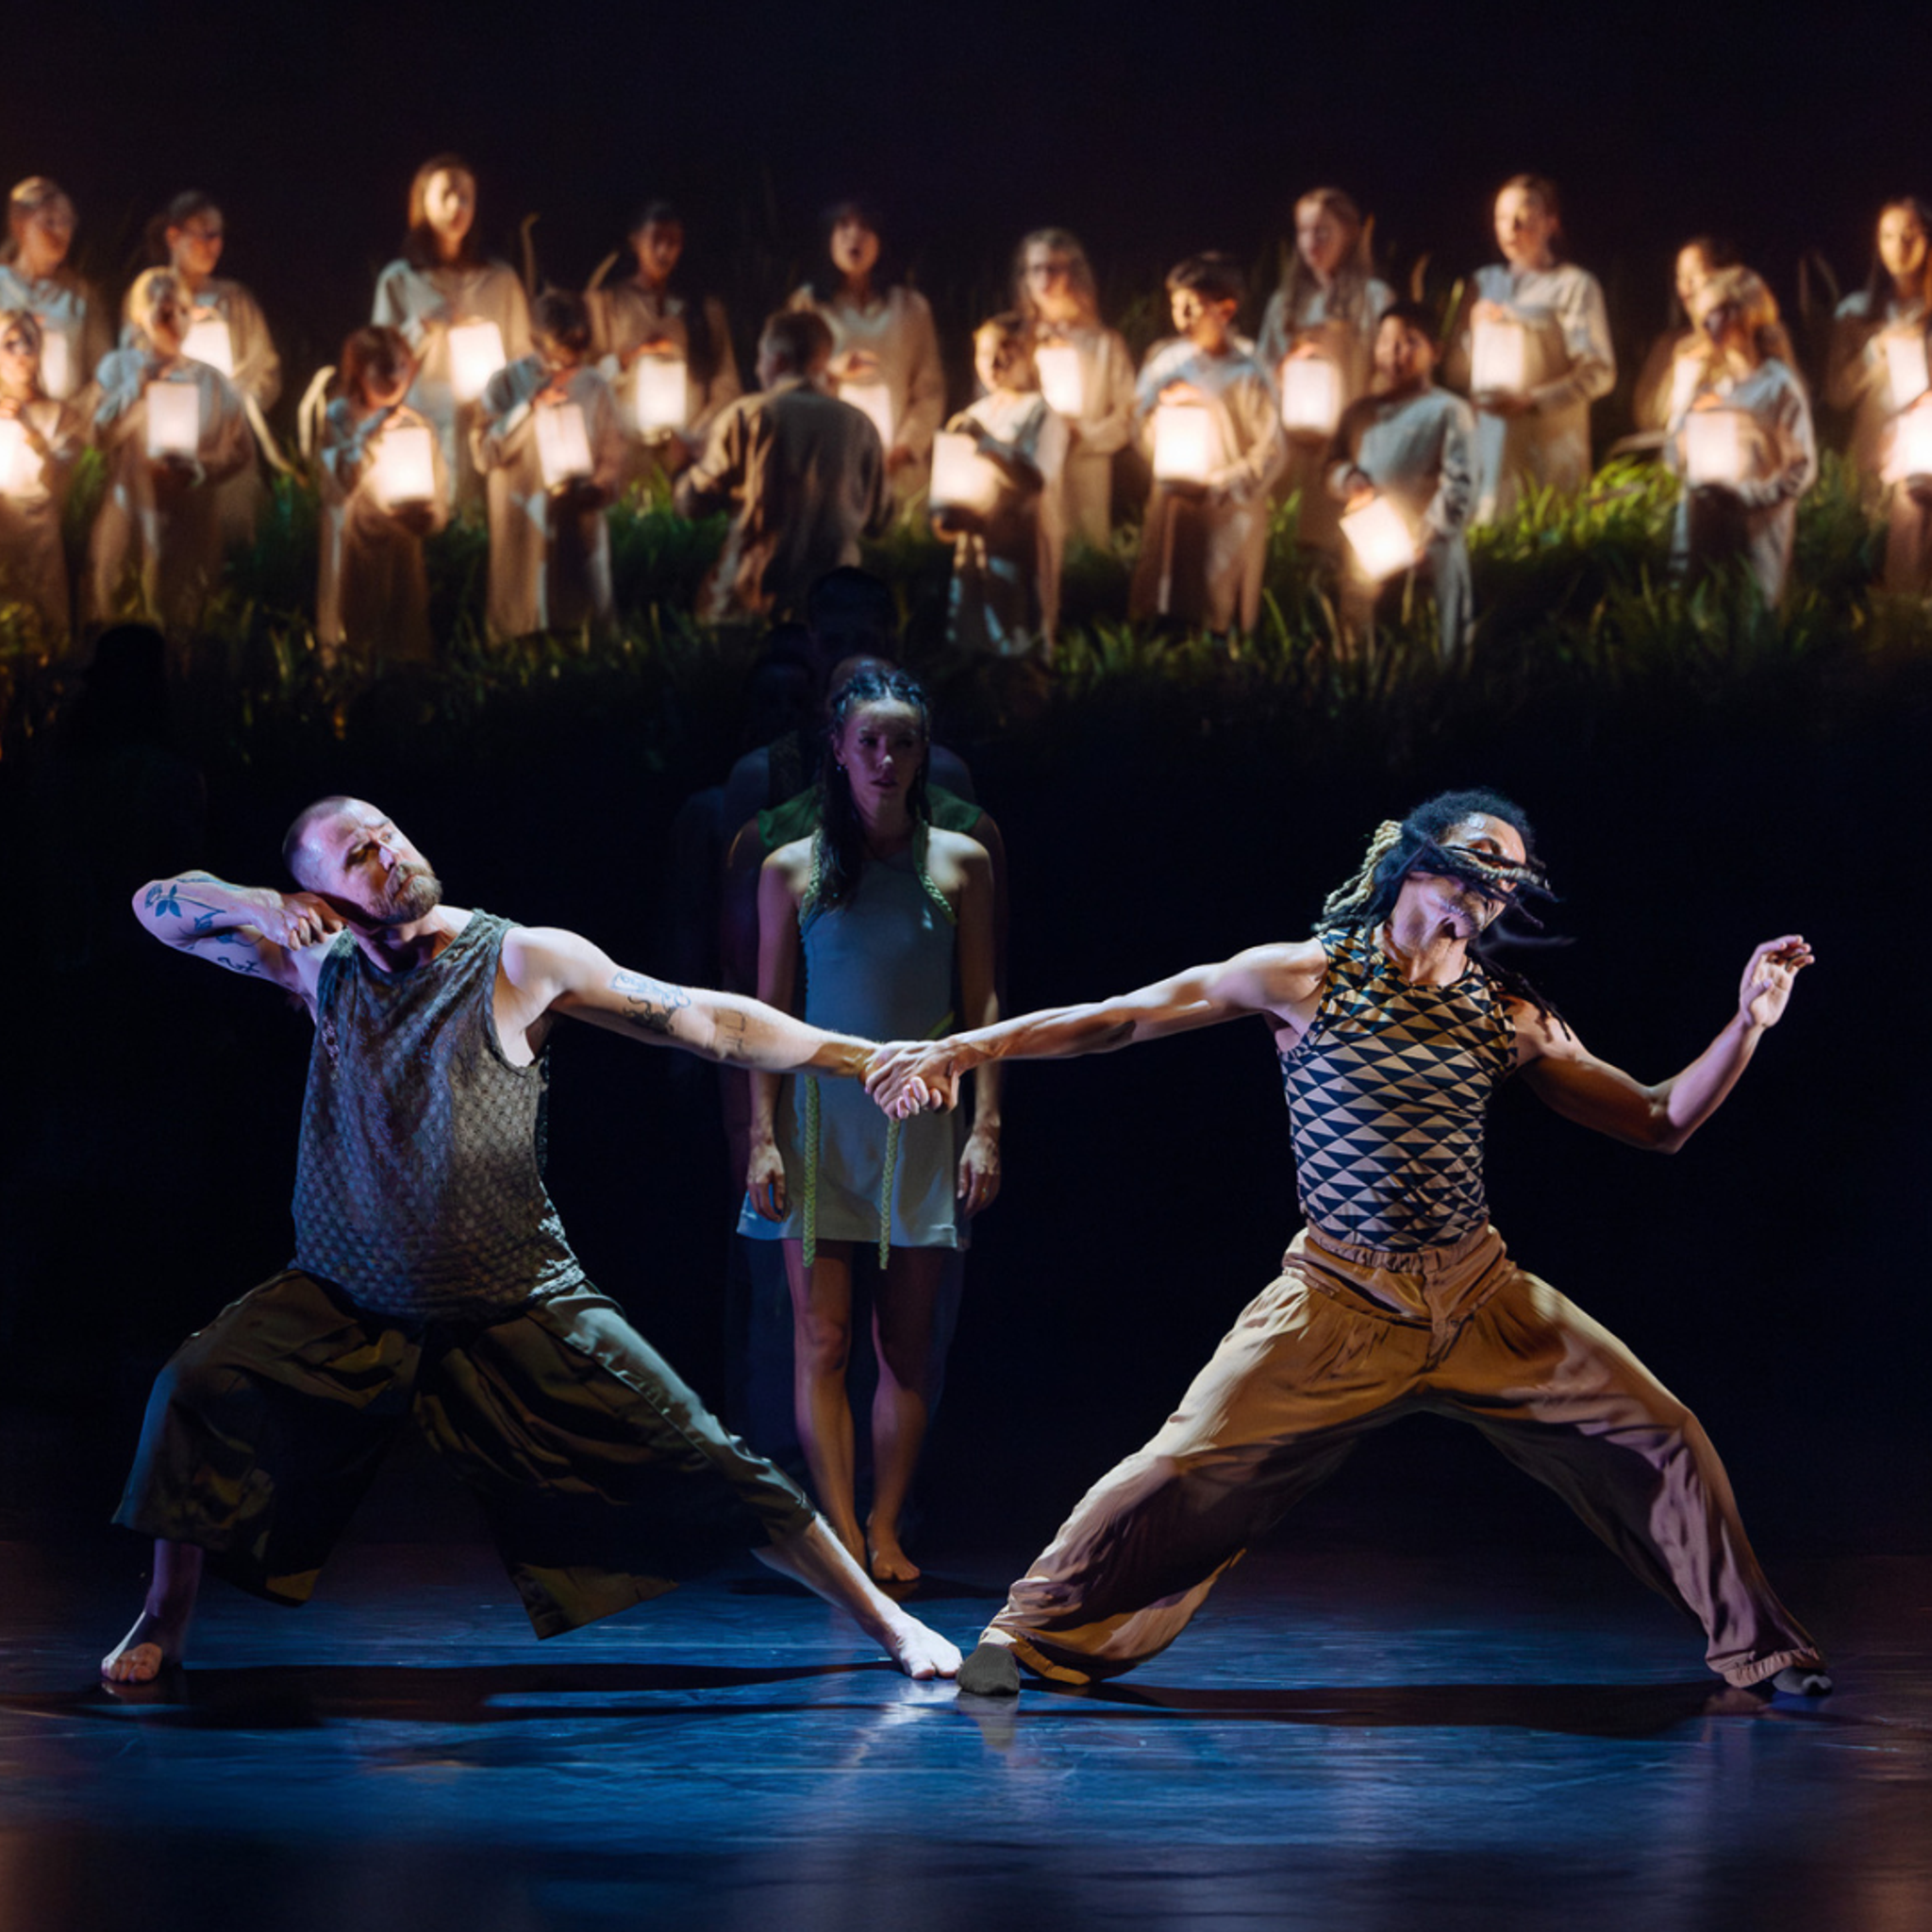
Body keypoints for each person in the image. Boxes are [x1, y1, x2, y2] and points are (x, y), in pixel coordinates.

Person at [868, 790, 1831, 1703]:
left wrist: (1746, 1022)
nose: (1499, 882)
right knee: (1183, 1463)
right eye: (1484, 857)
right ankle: (1022, 1631)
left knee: (1661, 1431)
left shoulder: (1506, 1012)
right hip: (1335, 1294)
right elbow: (1122, 1015)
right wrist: (959, 1050)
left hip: (1476, 1291)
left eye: (1513, 873)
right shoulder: (1308, 973)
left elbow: (1659, 1119)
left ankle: (1759, 1648)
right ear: (1421, 858)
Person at [101, 796, 962, 1687]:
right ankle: (163, 1615)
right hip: (343, 1291)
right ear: (319, 894)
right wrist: (255, 904)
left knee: (710, 1456)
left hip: (511, 1291)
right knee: (193, 1388)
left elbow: (710, 1022)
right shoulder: (317, 963)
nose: (391, 853)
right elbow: (157, 902)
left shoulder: (519, 959)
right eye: (359, 855)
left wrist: (862, 1058)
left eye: (390, 832)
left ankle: (887, 1622)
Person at [741, 670, 1000, 1582]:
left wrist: (986, 1127)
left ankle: (887, 1526)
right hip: (820, 1124)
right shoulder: (792, 869)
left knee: (905, 1342)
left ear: (923, 754)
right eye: (870, 744)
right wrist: (761, 1135)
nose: (886, 760)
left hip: (922, 1125)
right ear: (840, 753)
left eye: (903, 744)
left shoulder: (960, 861)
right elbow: (765, 1013)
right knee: (823, 1339)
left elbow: (983, 1006)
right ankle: (842, 1533)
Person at [675, 310, 892, 626]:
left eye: (759, 357)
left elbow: (691, 503)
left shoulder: (746, 416)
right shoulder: (860, 425)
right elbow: (881, 522)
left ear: (776, 360)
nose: (756, 367)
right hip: (833, 608)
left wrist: (684, 464)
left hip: (752, 600)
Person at [86, 268, 251, 641]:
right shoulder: (120, 368)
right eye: (164, 312)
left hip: (190, 520)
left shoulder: (211, 381)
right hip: (131, 512)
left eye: (183, 311)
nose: (175, 321)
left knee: (185, 623)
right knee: (125, 620)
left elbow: (241, 449)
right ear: (140, 316)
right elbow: (98, 434)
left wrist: (200, 470)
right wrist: (137, 393)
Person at [1129, 255, 1286, 635]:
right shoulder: (1166, 364)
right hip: (1174, 503)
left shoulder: (1249, 371)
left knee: (1216, 599)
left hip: (1227, 507)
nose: (1181, 315)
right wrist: (1160, 415)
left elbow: (1271, 448)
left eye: (1193, 306)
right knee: (1169, 591)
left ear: (1226, 309)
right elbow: (1137, 422)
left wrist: (1224, 481)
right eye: (1176, 305)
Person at [372, 157, 533, 511]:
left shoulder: (500, 281)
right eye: (446, 194)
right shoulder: (400, 281)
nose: (456, 205)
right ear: (422, 201)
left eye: (466, 197)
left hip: (489, 429)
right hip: (424, 428)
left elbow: (522, 357)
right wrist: (423, 326)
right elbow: (378, 364)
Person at [1457, 175, 1614, 524]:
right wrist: (1474, 332)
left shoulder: (1574, 285)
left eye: (1523, 218)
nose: (1511, 229)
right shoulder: (1485, 283)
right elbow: (1462, 368)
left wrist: (1533, 400)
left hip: (1549, 448)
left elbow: (1599, 372)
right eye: (1501, 218)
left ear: (1550, 223)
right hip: (1490, 445)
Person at [1326, 301, 1475, 660]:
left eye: (1409, 342)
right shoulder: (1360, 413)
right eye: (1386, 341)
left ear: (1435, 352)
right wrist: (1348, 480)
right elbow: (1331, 463)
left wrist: (1425, 538)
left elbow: (1459, 484)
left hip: (1427, 556)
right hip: (1368, 556)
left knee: (1421, 650)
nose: (1395, 353)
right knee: (1364, 651)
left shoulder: (1449, 411)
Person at [473, 290, 625, 639]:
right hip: (524, 522)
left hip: (577, 521)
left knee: (579, 618)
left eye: (574, 359)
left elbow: (613, 450)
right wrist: (529, 407)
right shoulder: (505, 384)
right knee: (527, 614)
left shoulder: (594, 385)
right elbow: (485, 452)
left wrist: (598, 487)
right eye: (558, 359)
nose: (567, 370)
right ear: (535, 343)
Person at [1256, 188, 1397, 556]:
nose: (1311, 242)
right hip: (1294, 440)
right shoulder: (1284, 303)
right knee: (1293, 535)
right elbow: (1260, 370)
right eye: (1304, 231)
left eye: (1322, 231)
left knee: (1343, 538)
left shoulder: (1374, 298)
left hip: (1350, 439)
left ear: (1349, 233)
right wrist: (1284, 370)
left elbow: (1387, 371)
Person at [1664, 269, 1816, 608]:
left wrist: (1746, 495)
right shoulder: (1703, 380)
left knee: (1748, 624)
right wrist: (1684, 444)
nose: (1706, 325)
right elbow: (1673, 453)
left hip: (1755, 533)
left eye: (1715, 313)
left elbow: (1801, 468)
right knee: (1700, 620)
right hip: (1700, 526)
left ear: (1744, 312)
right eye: (1701, 315)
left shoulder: (1777, 385)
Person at [135, 191, 281, 542]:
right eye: (204, 232)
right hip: (166, 447)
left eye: (218, 234)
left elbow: (267, 371)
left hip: (227, 446)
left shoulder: (234, 300)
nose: (213, 244)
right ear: (174, 236)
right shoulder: (147, 295)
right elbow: (132, 362)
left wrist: (232, 407)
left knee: (227, 538)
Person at [788, 200, 944, 509]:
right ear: (828, 237)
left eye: (865, 227)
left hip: (898, 469)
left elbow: (931, 391)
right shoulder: (807, 305)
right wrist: (831, 372)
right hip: (830, 465)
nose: (854, 236)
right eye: (843, 226)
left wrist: (900, 451)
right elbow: (788, 384)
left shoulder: (911, 308)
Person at [316, 325, 449, 666]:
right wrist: (370, 434)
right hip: (354, 549)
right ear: (360, 371)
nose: (394, 377)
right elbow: (339, 482)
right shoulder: (340, 418)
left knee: (402, 641)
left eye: (401, 366)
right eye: (383, 368)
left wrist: (428, 518)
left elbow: (440, 496)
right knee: (355, 642)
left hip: (402, 549)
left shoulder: (417, 425)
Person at [938, 314, 1068, 658]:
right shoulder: (975, 412)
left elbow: (1036, 479)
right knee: (973, 631)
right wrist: (947, 513)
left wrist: (988, 444)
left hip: (1020, 541)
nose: (993, 364)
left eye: (1007, 352)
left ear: (1029, 356)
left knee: (1019, 633)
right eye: (984, 354)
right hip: (976, 540)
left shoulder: (1041, 413)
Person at [590, 199, 743, 485]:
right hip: (625, 451)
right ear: (635, 241)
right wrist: (630, 357)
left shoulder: (704, 310)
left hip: (689, 454)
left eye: (674, 241)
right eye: (656, 239)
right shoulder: (607, 304)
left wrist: (691, 438)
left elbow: (727, 384)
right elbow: (588, 378)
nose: (665, 250)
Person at [1011, 227, 1136, 549]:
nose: (1044, 279)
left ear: (1073, 273)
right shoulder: (1013, 343)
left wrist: (1084, 435)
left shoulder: (1104, 344)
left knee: (1083, 555)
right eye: (1035, 269)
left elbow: (1128, 413)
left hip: (1086, 473)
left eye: (1053, 268)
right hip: (1029, 471)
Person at [1824, 198, 1932, 485]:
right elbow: (1837, 393)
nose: (1900, 245)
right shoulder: (1855, 312)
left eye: (1910, 234)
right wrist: (1876, 349)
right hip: (1872, 458)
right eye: (1888, 236)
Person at [0, 308, 86, 647]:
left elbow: (62, 480)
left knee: (45, 631)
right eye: (10, 344)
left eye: (28, 343)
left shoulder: (60, 414)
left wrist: (31, 432)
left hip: (42, 537)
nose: (21, 353)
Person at [0, 177, 112, 414]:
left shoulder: (81, 296)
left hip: (61, 430)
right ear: (20, 226)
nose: (61, 232)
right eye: (49, 223)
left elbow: (103, 372)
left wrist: (68, 416)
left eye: (67, 222)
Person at [1630, 237, 1738, 438]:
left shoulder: (1744, 340)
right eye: (1680, 277)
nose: (1685, 288)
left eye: (1694, 275)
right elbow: (1646, 414)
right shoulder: (1670, 347)